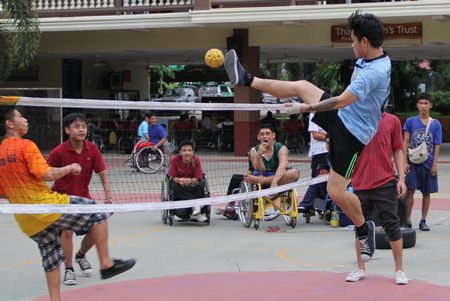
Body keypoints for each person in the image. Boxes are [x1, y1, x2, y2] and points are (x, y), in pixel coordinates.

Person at [224, 10, 390, 261]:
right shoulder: (373, 58)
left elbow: (340, 102)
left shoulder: (373, 73)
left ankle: (362, 228)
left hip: (352, 135)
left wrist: (303, 109)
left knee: (336, 192)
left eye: (354, 39)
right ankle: (245, 78)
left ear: (365, 41)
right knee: (301, 86)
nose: (351, 43)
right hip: (344, 118)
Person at [0, 106, 135, 301]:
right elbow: (47, 174)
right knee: (97, 212)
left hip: (26, 220)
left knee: (51, 259)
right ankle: (106, 263)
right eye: (20, 117)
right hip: (47, 207)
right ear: (10, 123)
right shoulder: (25, 146)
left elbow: (3, 192)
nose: (25, 120)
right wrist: (70, 168)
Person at [47, 113, 113, 286]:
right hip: (63, 200)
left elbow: (102, 173)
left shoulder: (92, 149)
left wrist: (108, 197)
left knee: (96, 230)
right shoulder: (58, 152)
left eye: (83, 126)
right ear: (67, 130)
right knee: (67, 232)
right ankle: (69, 269)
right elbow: (46, 173)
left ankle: (81, 255)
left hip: (84, 198)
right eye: (76, 126)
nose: (81, 129)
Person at [347, 112, 408, 285]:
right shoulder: (355, 118)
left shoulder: (392, 120)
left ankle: (399, 270)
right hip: (359, 183)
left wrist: (401, 178)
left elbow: (398, 149)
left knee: (392, 224)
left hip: (385, 182)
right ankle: (360, 268)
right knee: (361, 227)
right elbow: (348, 151)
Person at [403, 93, 442, 231]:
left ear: (430, 105)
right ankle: (407, 219)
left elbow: (437, 144)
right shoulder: (410, 122)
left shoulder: (436, 124)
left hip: (428, 162)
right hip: (413, 162)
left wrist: (434, 164)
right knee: (410, 191)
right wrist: (404, 162)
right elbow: (406, 141)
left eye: (426, 103)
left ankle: (423, 220)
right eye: (421, 103)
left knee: (427, 193)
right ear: (417, 105)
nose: (423, 106)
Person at [245, 124, 299, 189]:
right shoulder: (254, 150)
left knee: (294, 173)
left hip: (277, 175)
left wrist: (274, 180)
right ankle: (263, 181)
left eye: (267, 134)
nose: (265, 136)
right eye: (262, 134)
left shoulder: (281, 148)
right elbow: (260, 169)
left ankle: (262, 180)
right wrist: (259, 155)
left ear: (273, 136)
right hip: (262, 174)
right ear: (258, 137)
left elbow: (282, 167)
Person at [168, 140, 206, 222]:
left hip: (192, 186)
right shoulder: (175, 160)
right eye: (184, 150)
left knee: (201, 184)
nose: (187, 153)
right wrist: (179, 180)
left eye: (189, 150)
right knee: (173, 186)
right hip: (179, 187)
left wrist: (190, 180)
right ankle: (196, 205)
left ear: (193, 152)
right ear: (180, 152)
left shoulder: (196, 160)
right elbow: (173, 177)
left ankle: (195, 208)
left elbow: (198, 177)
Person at [298, 112, 329, 212]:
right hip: (318, 152)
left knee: (325, 180)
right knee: (316, 179)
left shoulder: (335, 114)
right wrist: (330, 136)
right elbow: (316, 135)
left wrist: (327, 134)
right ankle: (308, 204)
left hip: (331, 151)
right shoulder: (314, 114)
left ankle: (316, 205)